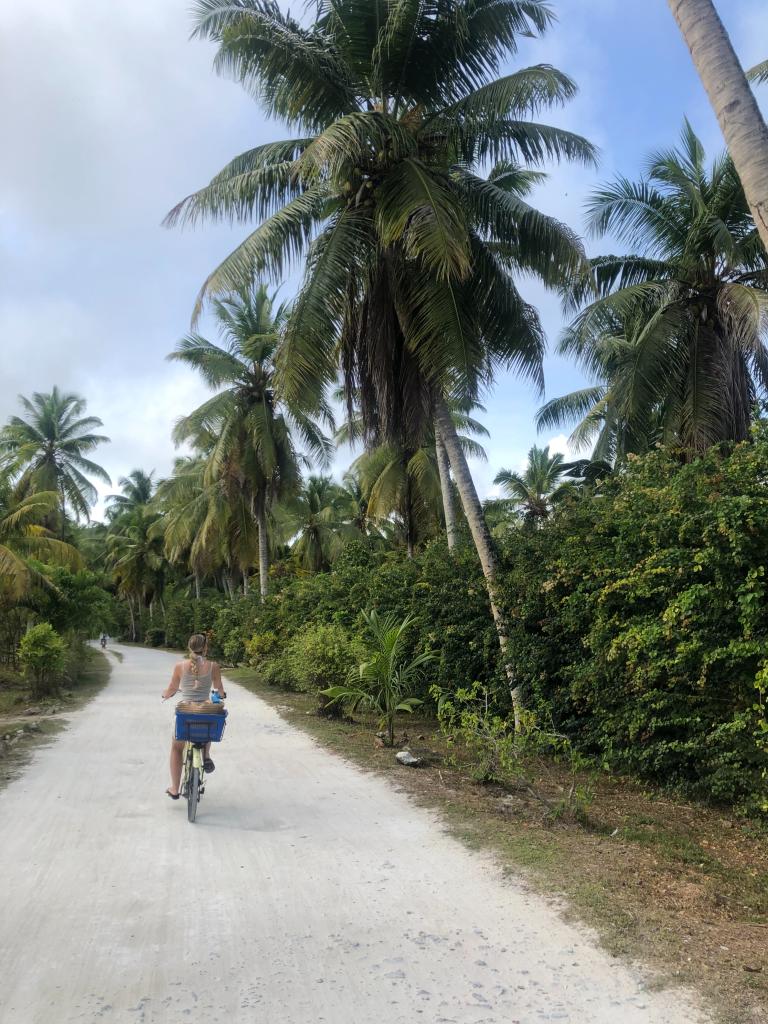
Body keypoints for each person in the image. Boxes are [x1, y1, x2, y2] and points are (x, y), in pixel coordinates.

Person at [161, 633, 226, 800]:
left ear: (189, 647)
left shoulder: (179, 666)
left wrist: (166, 694)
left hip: (186, 712)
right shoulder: (214, 666)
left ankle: (175, 789)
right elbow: (219, 689)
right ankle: (206, 755)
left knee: (177, 748)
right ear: (205, 648)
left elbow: (172, 688)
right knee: (209, 720)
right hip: (205, 711)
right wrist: (221, 694)